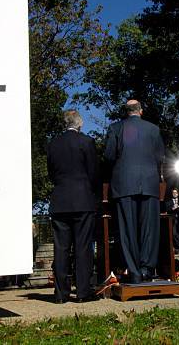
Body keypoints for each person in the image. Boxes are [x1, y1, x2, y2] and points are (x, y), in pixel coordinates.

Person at [104, 100, 165, 283]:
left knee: (127, 229)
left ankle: (134, 270)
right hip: (149, 182)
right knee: (149, 229)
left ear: (126, 112)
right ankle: (147, 268)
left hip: (124, 184)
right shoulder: (154, 130)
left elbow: (108, 155)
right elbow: (160, 156)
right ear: (141, 111)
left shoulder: (116, 128)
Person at [46, 109, 99, 303]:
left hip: (60, 201)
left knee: (61, 249)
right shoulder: (86, 142)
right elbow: (93, 173)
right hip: (82, 200)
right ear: (80, 123)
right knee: (83, 248)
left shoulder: (53, 144)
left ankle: (61, 294)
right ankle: (83, 292)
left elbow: (51, 172)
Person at [164, 188, 179, 253]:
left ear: (178, 194)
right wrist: (173, 208)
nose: (174, 194)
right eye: (173, 193)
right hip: (172, 220)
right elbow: (167, 210)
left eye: (176, 193)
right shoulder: (168, 201)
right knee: (174, 234)